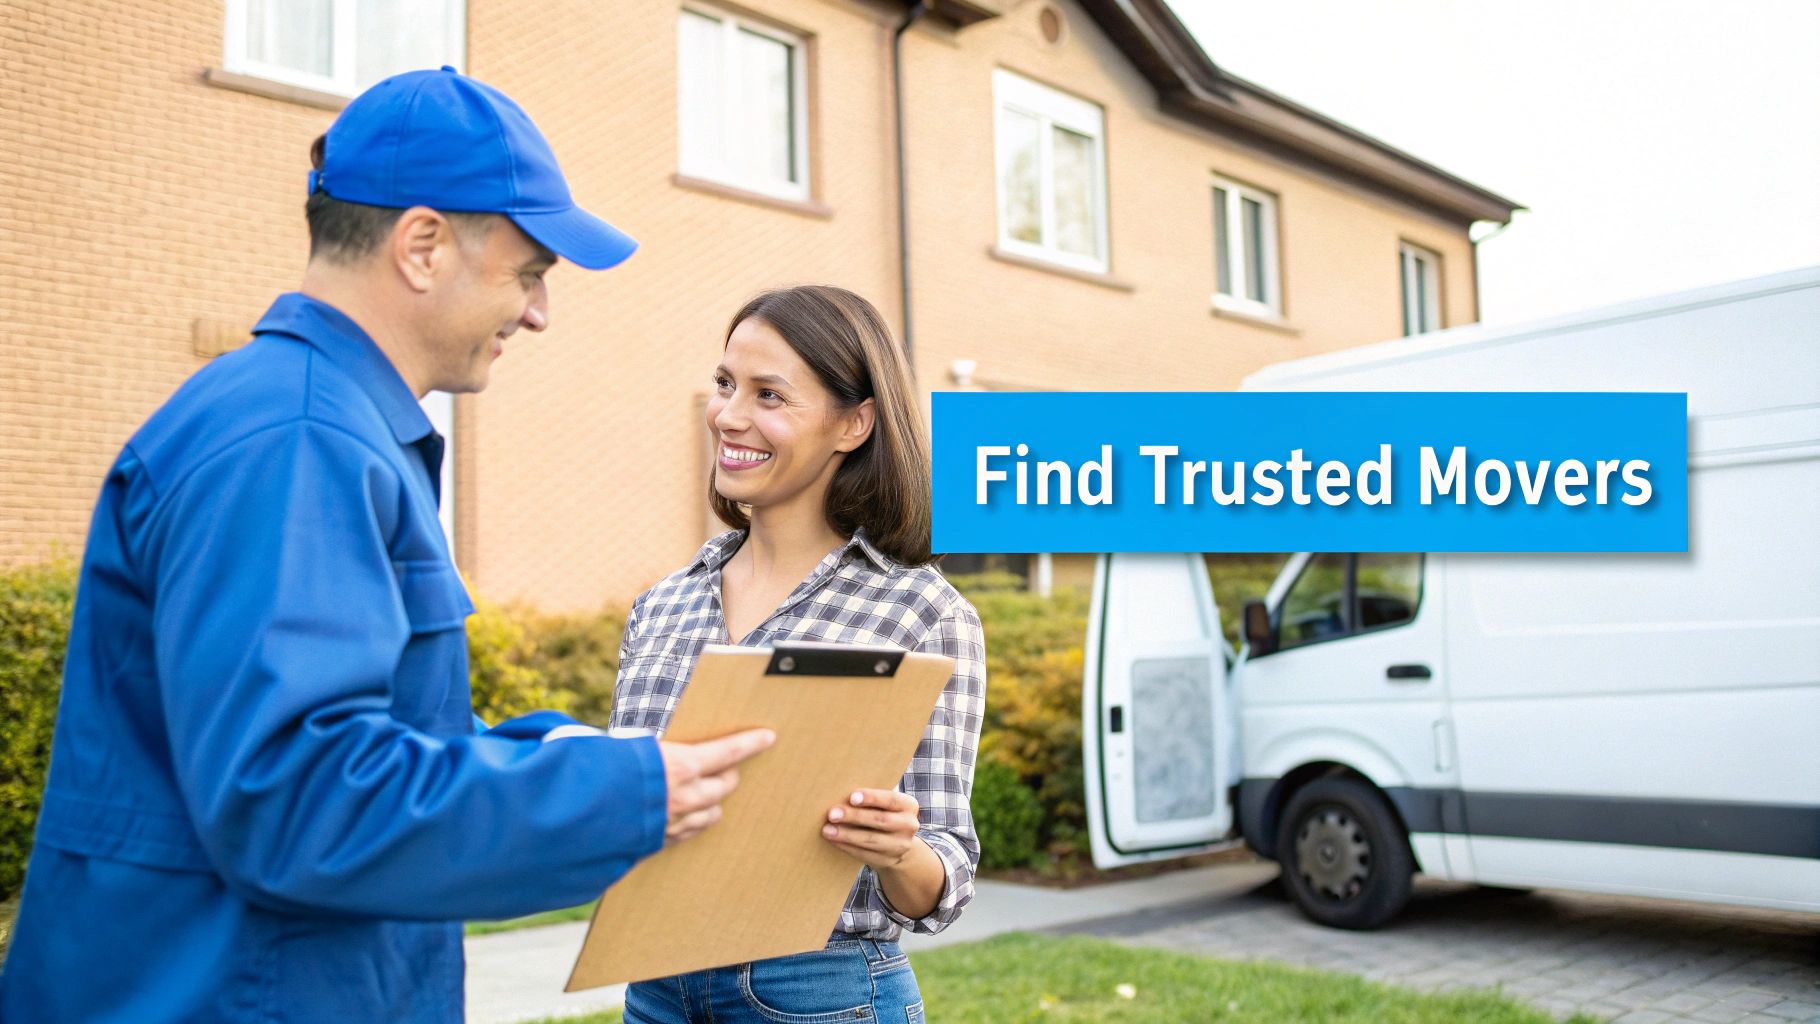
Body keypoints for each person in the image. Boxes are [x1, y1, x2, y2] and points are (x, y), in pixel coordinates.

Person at [0, 67, 772, 1023]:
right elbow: (296, 798)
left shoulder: (315, 423)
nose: (539, 310)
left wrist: (560, 750)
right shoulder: (298, 441)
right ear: (422, 246)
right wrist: (622, 796)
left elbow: (372, 731)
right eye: (528, 272)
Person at [611, 286, 986, 1023]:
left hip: (818, 993)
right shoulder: (661, 606)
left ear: (853, 423)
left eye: (770, 395)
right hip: (655, 988)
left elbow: (943, 875)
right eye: (725, 384)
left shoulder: (920, 611)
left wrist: (896, 849)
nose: (729, 415)